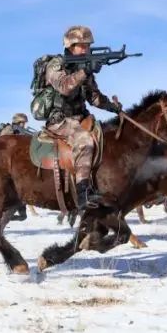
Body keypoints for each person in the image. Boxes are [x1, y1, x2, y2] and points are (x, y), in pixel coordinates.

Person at [39, 25, 122, 208]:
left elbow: (93, 97)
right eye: (81, 45)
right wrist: (85, 71)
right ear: (70, 46)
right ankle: (83, 192)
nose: (85, 48)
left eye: (87, 45)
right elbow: (64, 86)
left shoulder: (84, 67)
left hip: (81, 117)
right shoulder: (56, 64)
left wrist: (113, 108)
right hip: (60, 120)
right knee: (84, 141)